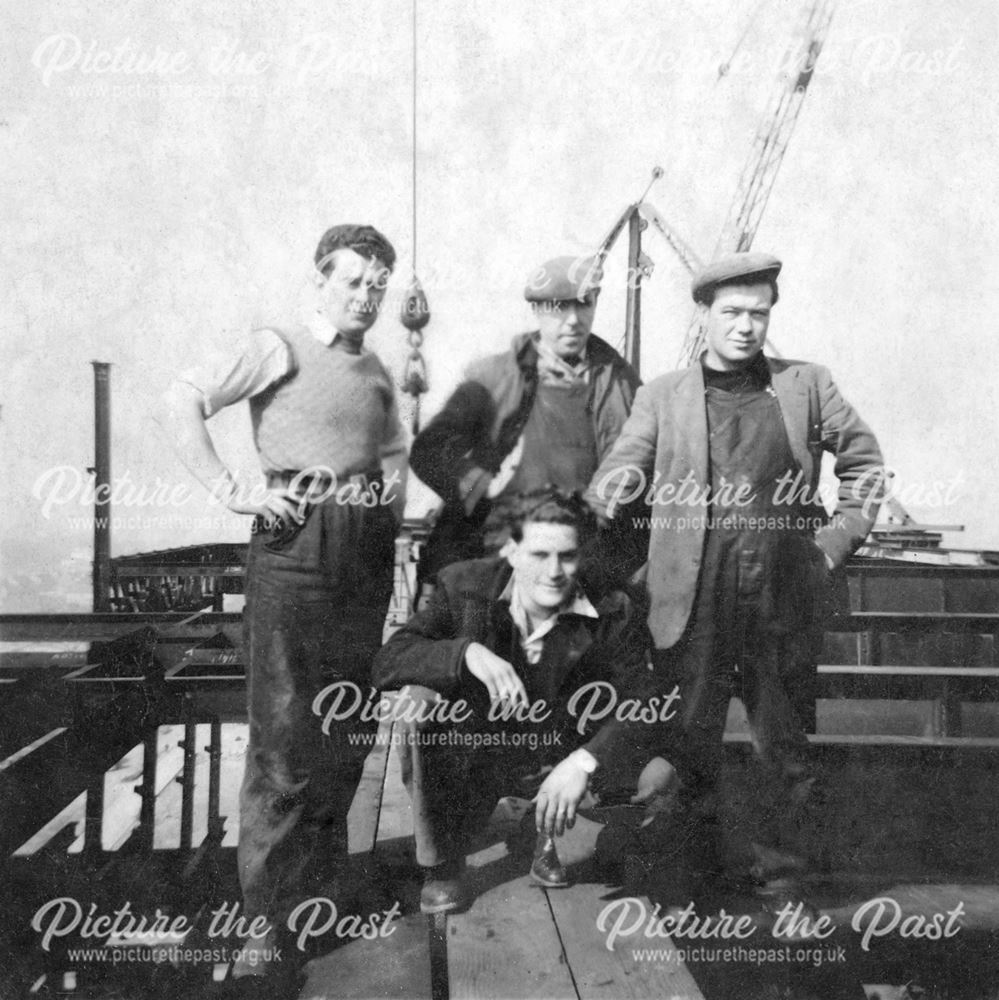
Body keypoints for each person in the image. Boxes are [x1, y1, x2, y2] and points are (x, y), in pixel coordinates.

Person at [585, 251, 885, 910]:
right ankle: (689, 884)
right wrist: (614, 495)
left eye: (758, 313)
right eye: (731, 313)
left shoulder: (806, 385)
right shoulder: (662, 395)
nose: (745, 326)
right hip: (691, 609)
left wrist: (831, 544)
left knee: (785, 753)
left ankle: (788, 883)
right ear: (704, 315)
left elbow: (864, 465)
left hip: (779, 599)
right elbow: (617, 473)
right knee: (685, 747)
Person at [156, 224, 405, 985]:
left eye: (377, 285)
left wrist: (385, 500)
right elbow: (183, 398)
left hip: (362, 559)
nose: (366, 295)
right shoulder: (280, 344)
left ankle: (318, 902)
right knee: (285, 740)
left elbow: (390, 452)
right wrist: (238, 492)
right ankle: (263, 923)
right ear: (320, 279)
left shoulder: (377, 372)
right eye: (354, 280)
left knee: (346, 728)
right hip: (294, 554)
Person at [371, 488, 670, 914]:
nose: (554, 572)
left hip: (563, 761)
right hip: (481, 759)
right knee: (418, 703)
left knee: (659, 779)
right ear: (511, 551)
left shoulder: (612, 606)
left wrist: (585, 761)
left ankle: (553, 833)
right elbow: (388, 660)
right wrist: (464, 654)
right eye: (538, 555)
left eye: (567, 556)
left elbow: (645, 700)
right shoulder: (464, 588)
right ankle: (442, 864)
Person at [409, 254, 643, 588]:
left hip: (572, 561)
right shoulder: (493, 377)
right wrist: (480, 486)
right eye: (559, 308)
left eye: (584, 305)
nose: (574, 320)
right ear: (536, 310)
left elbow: (633, 471)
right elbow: (430, 449)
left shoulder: (622, 384)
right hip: (492, 556)